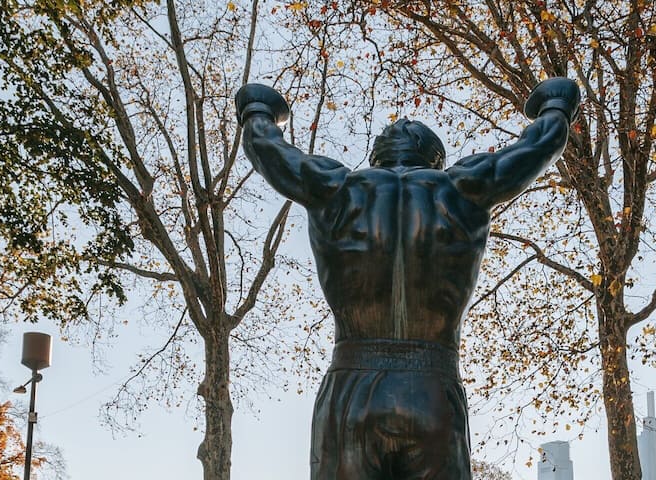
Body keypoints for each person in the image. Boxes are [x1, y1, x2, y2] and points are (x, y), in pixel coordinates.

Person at [235, 77, 581, 480]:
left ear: (378, 156)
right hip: (431, 388)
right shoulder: (462, 189)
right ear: (435, 160)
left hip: (352, 389)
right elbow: (539, 145)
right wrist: (556, 106)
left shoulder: (336, 189)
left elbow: (265, 148)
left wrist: (258, 109)